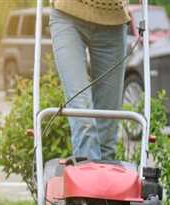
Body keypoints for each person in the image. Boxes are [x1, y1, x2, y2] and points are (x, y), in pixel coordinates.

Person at [50, 0, 130, 161]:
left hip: (114, 20)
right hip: (68, 14)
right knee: (82, 117)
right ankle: (89, 180)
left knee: (107, 132)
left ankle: (104, 180)